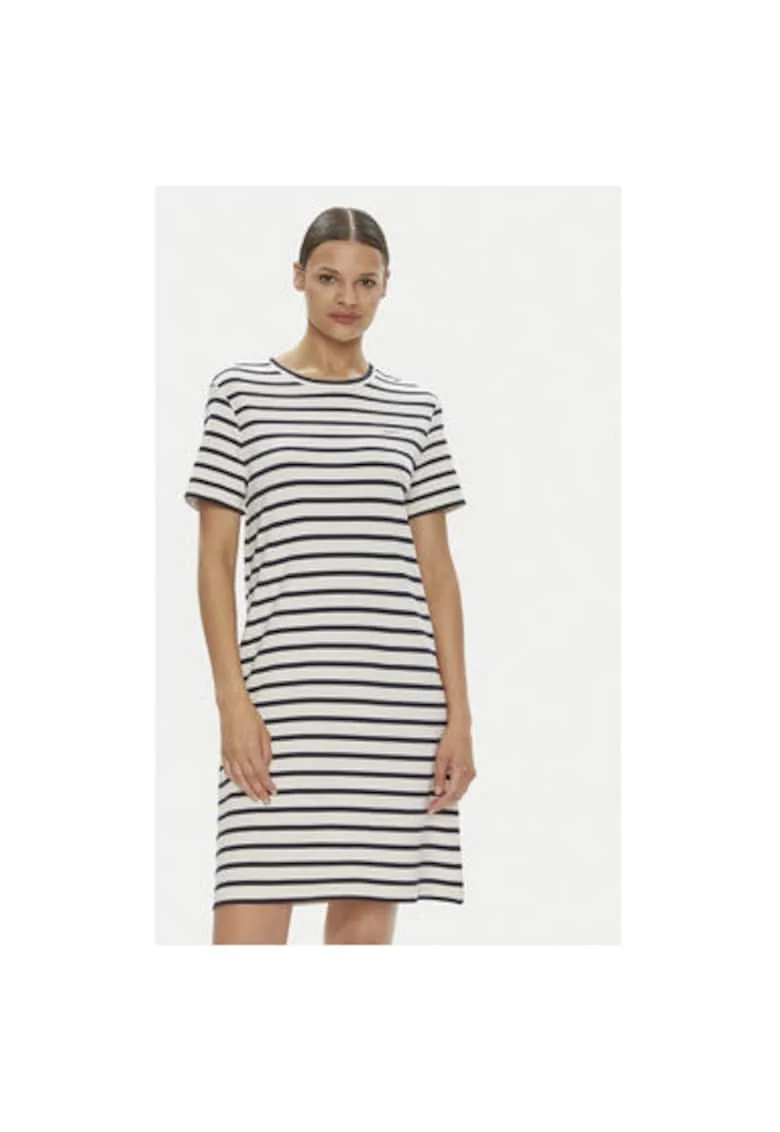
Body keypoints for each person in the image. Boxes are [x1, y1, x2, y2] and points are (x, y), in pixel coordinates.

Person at [184, 205, 476, 944]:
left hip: (394, 714)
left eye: (365, 282)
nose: (347, 297)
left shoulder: (415, 409)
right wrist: (231, 702)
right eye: (328, 278)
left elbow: (439, 576)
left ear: (386, 287)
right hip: (279, 709)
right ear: (298, 278)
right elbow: (215, 561)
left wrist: (460, 720)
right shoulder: (240, 394)